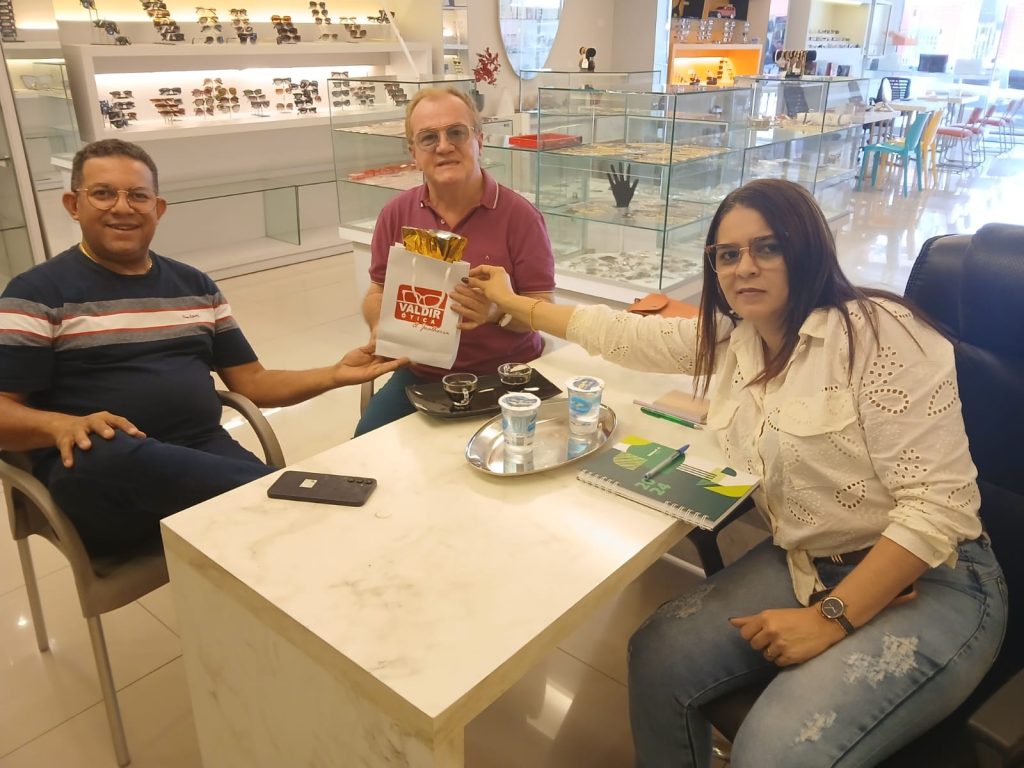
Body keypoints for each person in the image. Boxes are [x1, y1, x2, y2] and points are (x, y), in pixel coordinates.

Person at [466, 178, 1007, 767]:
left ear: (807, 248)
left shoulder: (879, 333)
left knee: (774, 751)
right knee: (658, 655)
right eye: (727, 254)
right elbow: (623, 334)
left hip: (934, 578)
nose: (744, 267)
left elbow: (939, 506)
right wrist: (512, 303)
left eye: (767, 248)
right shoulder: (737, 338)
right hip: (806, 560)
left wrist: (829, 618)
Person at [0, 139, 406, 557]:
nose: (122, 207)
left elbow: (253, 382)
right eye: (103, 193)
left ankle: (285, 503)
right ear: (73, 204)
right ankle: (284, 493)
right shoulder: (35, 294)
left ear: (158, 208)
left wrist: (335, 374)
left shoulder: (194, 286)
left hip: (203, 454)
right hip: (104, 480)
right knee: (107, 449)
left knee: (293, 545)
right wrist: (60, 426)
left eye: (138, 195)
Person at [355, 86, 555, 436]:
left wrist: (497, 313)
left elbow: (543, 308)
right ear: (413, 152)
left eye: (456, 133)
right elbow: (377, 291)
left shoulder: (520, 217)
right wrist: (381, 327)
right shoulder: (396, 213)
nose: (444, 146)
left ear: (479, 140)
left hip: (506, 376)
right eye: (428, 138)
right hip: (422, 375)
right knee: (363, 448)